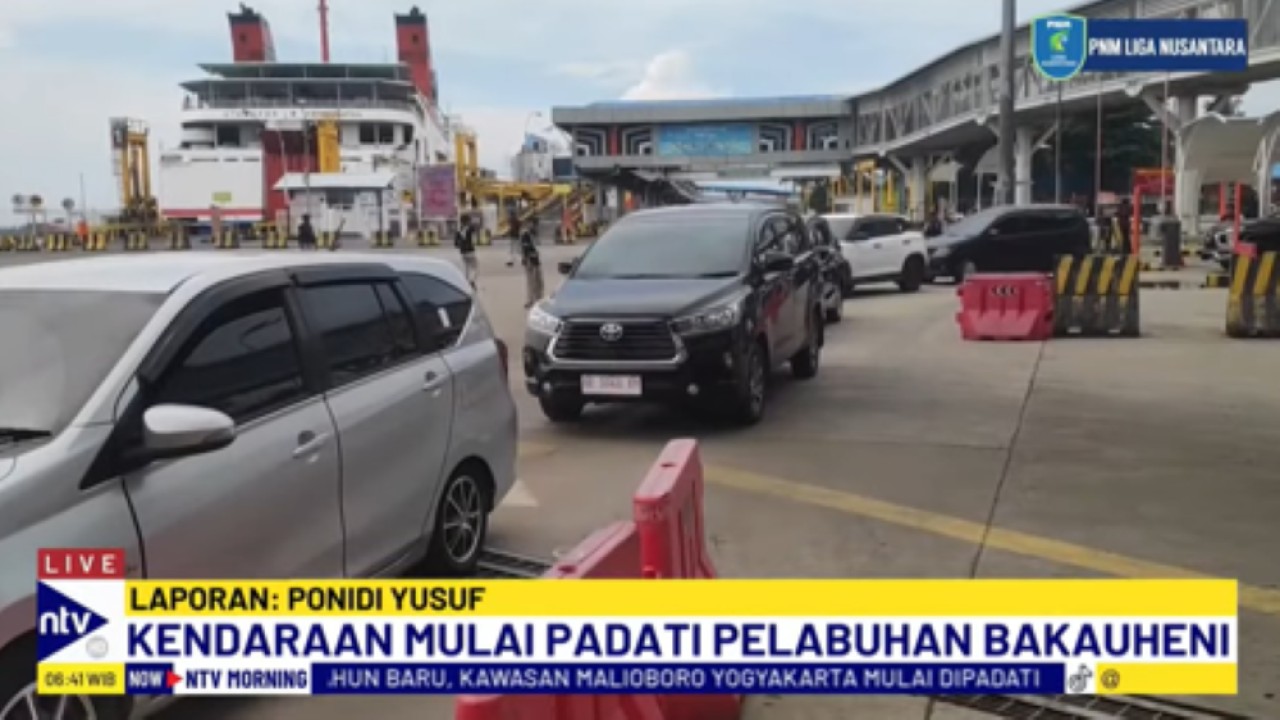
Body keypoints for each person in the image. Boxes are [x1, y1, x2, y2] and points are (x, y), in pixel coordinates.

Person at [520, 221, 544, 308]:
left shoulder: (533, 234)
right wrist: (527, 259)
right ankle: (531, 300)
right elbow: (525, 249)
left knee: (539, 281)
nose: (535, 227)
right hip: (530, 262)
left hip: (536, 261)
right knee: (532, 282)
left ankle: (538, 298)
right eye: (534, 225)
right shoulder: (525, 235)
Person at [455, 212, 478, 288]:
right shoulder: (471, 228)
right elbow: (474, 238)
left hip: (463, 251)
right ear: (468, 221)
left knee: (466, 267)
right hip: (470, 250)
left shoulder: (459, 229)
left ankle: (466, 282)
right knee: (474, 266)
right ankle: (472, 280)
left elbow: (456, 243)